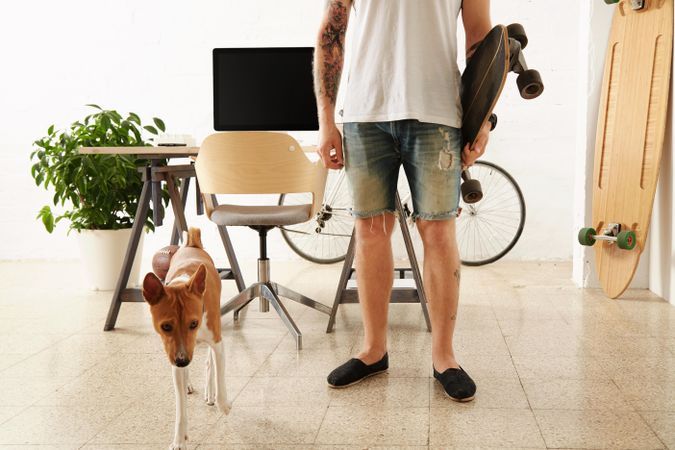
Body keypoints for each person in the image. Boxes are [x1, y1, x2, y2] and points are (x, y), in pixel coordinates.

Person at [313, 0, 493, 401]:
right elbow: (331, 34)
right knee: (371, 231)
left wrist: (485, 119)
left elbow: (481, 42)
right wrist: (326, 122)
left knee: (438, 230)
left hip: (438, 112)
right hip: (364, 113)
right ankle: (374, 350)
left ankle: (444, 357)